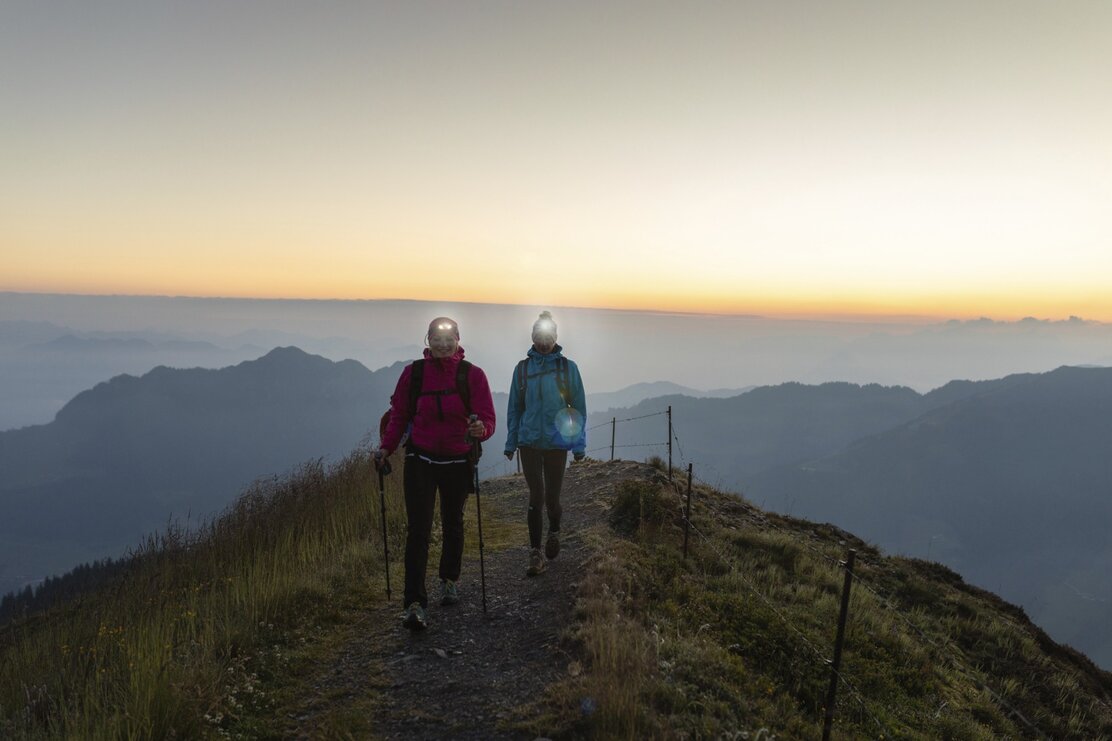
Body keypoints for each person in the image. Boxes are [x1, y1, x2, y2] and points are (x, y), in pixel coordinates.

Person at [375, 317, 496, 630]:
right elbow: (399, 416)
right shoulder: (413, 374)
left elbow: (487, 420)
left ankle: (448, 580)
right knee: (419, 530)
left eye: (448, 338)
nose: (443, 344)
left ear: (458, 339)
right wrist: (386, 448)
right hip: (420, 458)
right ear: (427, 340)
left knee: (453, 523)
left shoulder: (473, 375)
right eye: (436, 338)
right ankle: (414, 603)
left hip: (457, 460)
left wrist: (480, 430)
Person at [504, 311, 587, 576]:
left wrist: (578, 445)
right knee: (536, 496)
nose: (544, 341)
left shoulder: (567, 368)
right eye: (539, 336)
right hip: (529, 441)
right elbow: (514, 408)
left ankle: (554, 531)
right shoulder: (523, 369)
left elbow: (578, 408)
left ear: (556, 337)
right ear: (533, 337)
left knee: (552, 498)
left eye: (548, 336)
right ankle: (535, 553)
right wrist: (511, 441)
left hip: (556, 443)